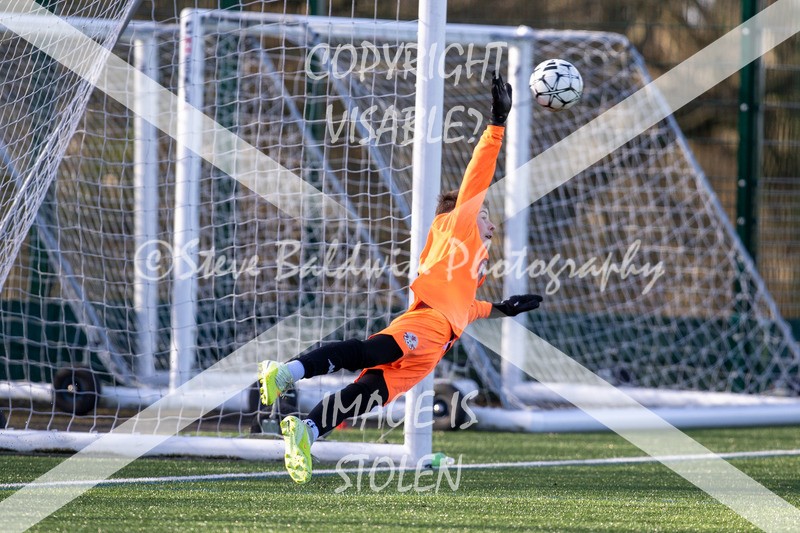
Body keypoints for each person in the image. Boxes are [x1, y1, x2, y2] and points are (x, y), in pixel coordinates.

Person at [258, 72, 543, 484]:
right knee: (370, 352)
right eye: (484, 214)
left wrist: (502, 308)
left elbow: (465, 307)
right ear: (461, 213)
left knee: (367, 395)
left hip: (436, 343)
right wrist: (497, 125)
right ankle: (287, 373)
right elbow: (478, 174)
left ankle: (307, 432)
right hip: (426, 324)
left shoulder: (465, 260)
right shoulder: (458, 224)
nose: (491, 223)